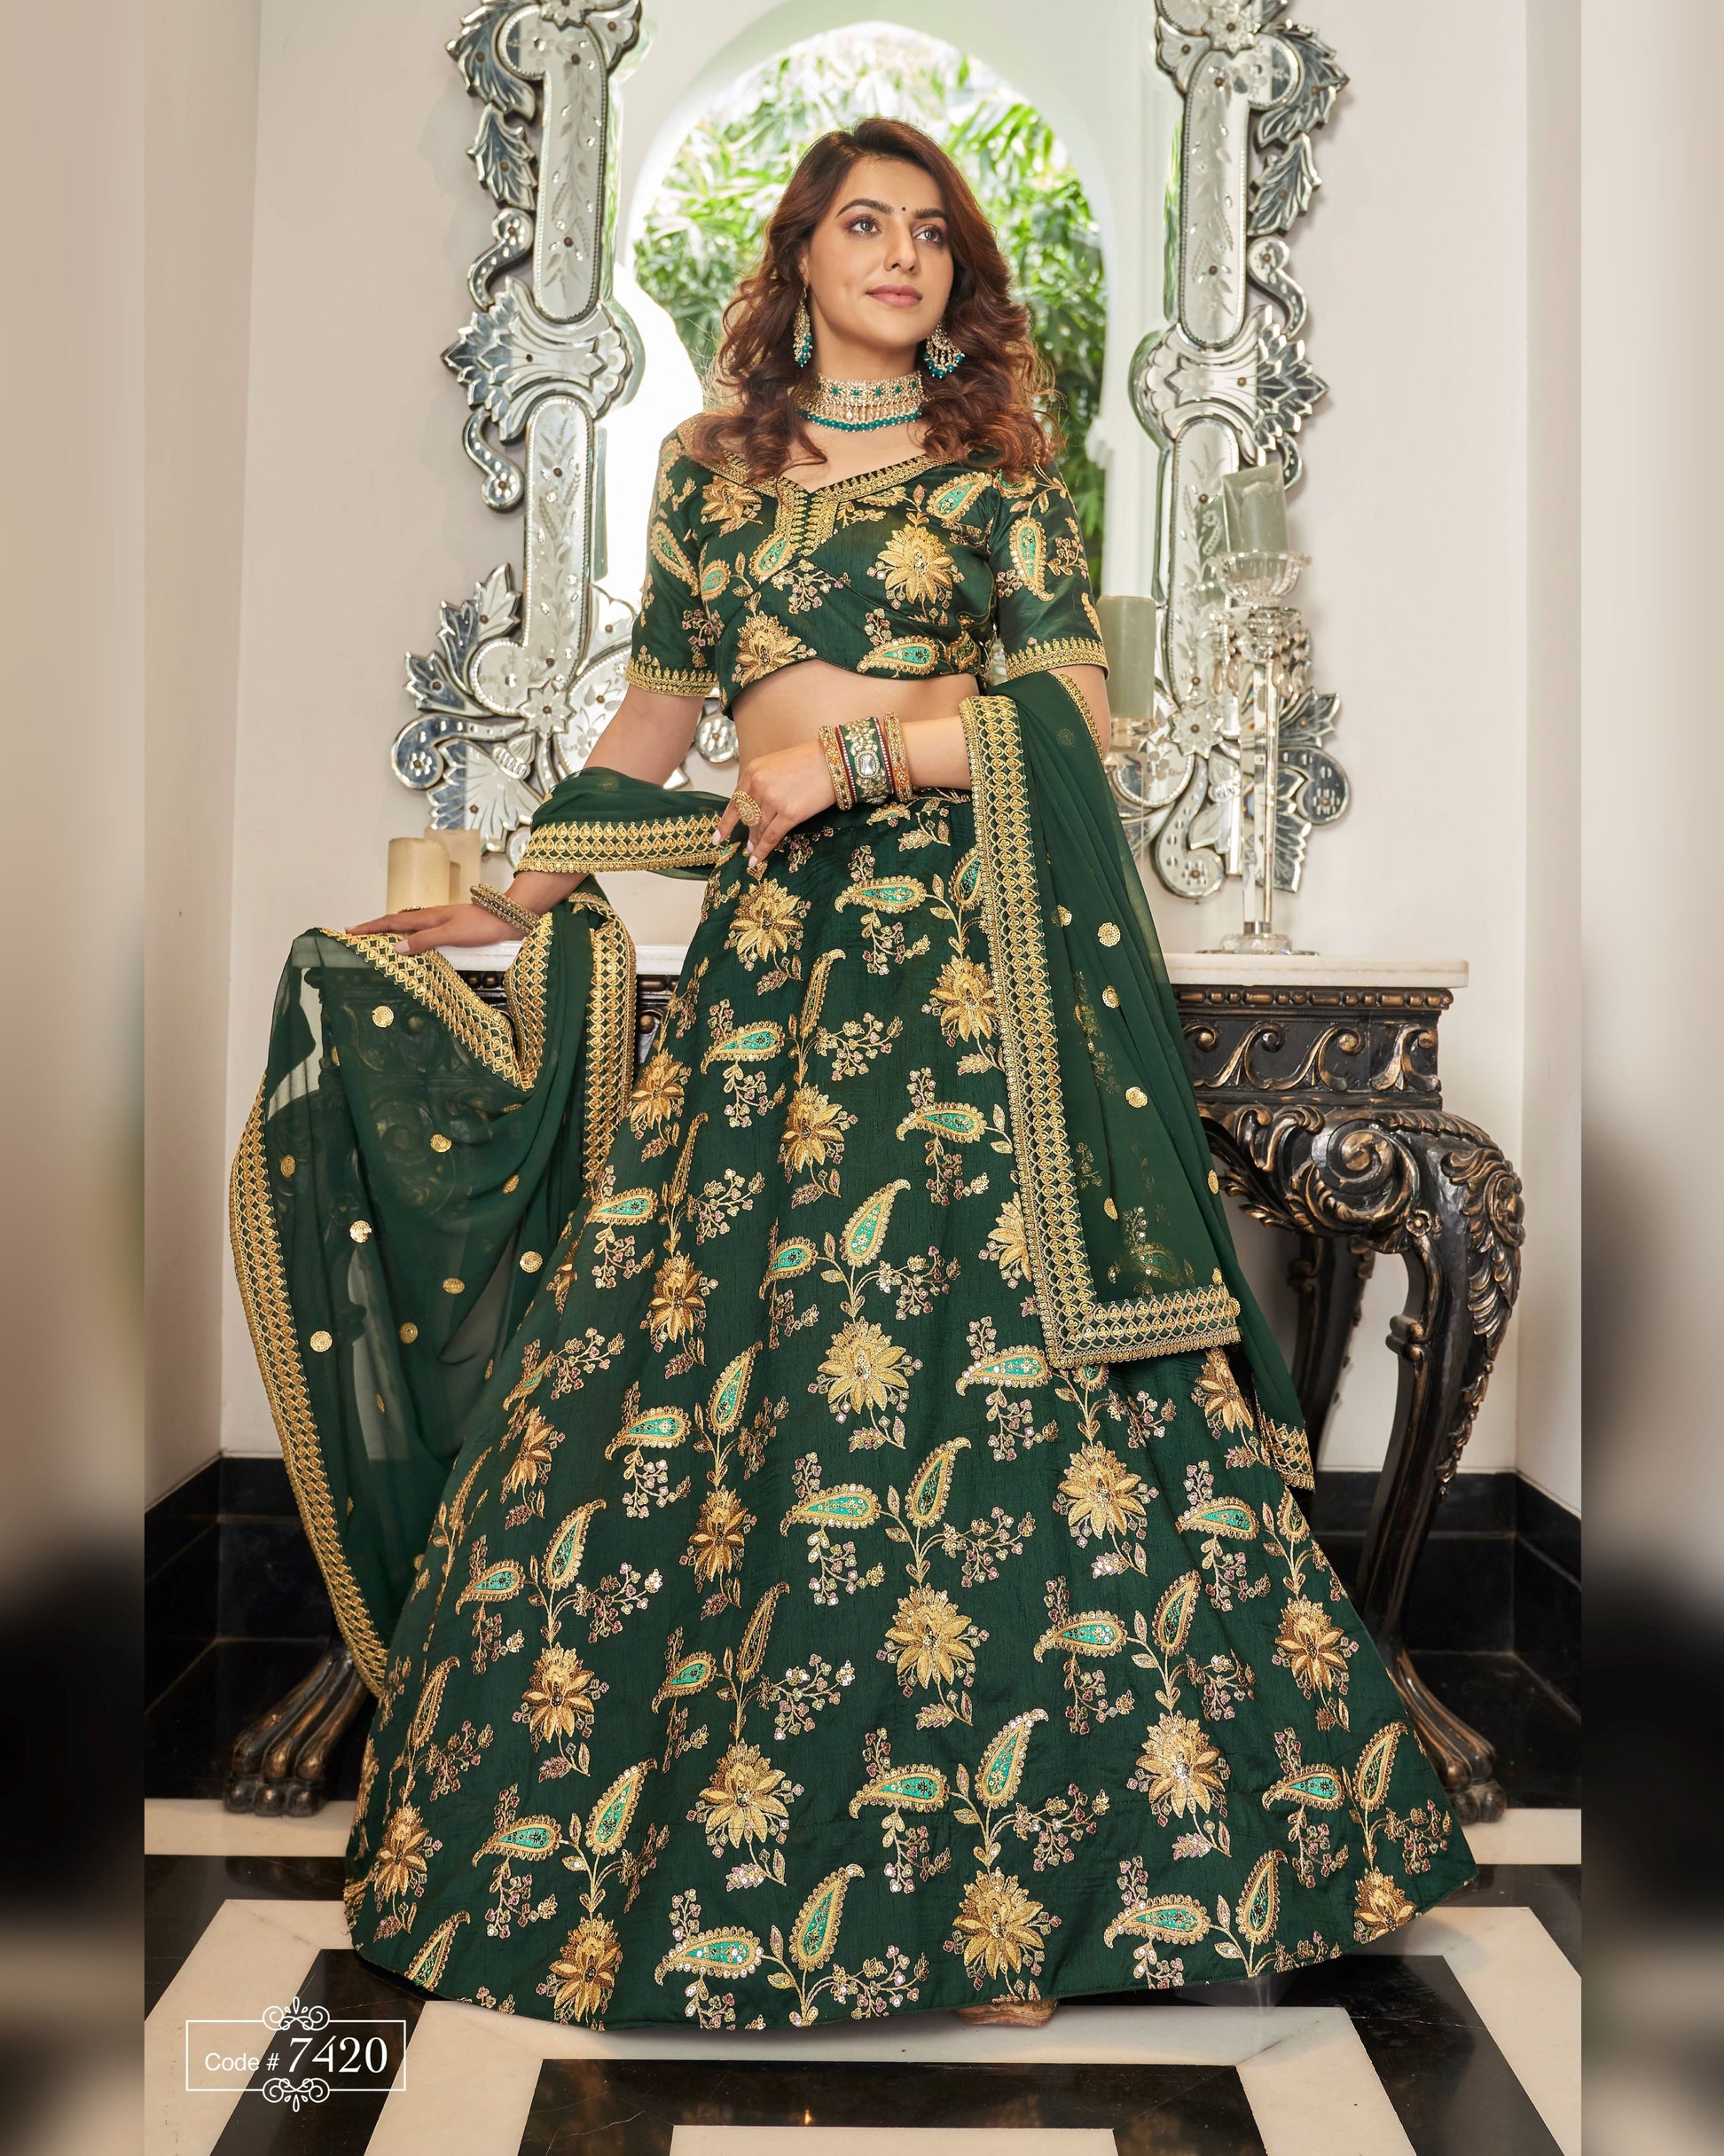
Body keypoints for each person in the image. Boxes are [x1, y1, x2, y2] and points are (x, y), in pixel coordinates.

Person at [231, 116, 1476, 2034]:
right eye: (860, 224)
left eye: (926, 232)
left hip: (966, 999)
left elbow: (1063, 729)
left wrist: (855, 760)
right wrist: (507, 891)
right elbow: (654, 726)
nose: (898, 254)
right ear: (797, 258)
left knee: (993, 1389)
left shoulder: (999, 482)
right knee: (713, 1382)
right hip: (767, 986)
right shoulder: (706, 482)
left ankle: (1055, 1879)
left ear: (955, 279)